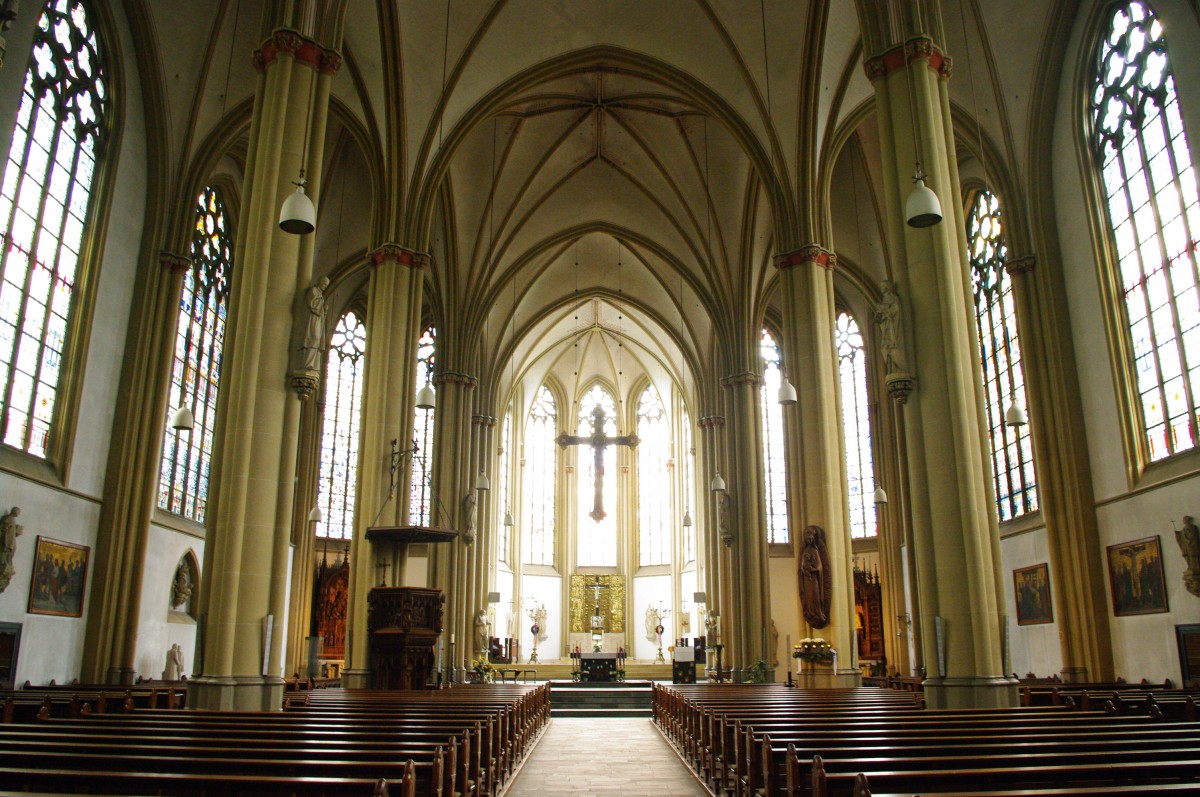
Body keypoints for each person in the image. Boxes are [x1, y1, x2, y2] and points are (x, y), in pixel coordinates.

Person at [298, 276, 330, 373]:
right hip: (313, 319)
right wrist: (321, 304)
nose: (325, 287)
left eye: (326, 285)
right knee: (314, 338)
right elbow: (312, 305)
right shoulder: (313, 290)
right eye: (324, 284)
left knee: (317, 339)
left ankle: (312, 365)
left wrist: (325, 309)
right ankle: (307, 364)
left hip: (318, 320)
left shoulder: (320, 293)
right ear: (320, 282)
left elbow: (319, 307)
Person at [799, 525, 828, 627]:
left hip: (815, 579)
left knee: (815, 595)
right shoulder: (805, 551)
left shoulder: (815, 551)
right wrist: (804, 570)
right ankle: (811, 613)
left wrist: (813, 569)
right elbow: (802, 566)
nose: (808, 541)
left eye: (810, 539)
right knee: (809, 597)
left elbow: (820, 566)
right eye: (807, 539)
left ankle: (818, 613)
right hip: (807, 579)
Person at [873, 280, 904, 373]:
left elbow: (895, 309)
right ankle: (891, 367)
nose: (882, 288)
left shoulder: (893, 298)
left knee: (892, 344)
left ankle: (898, 366)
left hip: (891, 325)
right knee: (885, 347)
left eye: (883, 286)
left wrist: (885, 310)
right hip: (886, 326)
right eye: (881, 286)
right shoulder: (884, 300)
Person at [0, 506, 21, 592]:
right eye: (18, 512)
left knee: (11, 554)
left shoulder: (12, 520)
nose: (19, 513)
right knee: (5, 555)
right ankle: (4, 566)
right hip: (6, 543)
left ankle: (6, 566)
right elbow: (3, 528)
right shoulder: (8, 518)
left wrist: (17, 531)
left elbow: (11, 532)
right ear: (14, 511)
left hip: (11, 542)